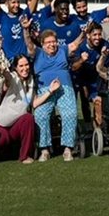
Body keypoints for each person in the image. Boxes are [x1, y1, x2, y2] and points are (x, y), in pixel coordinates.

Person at [32, 28, 83, 162]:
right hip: (45, 90)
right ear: (42, 44)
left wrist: (84, 32)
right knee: (41, 115)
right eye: (48, 42)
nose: (52, 44)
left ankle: (67, 148)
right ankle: (44, 149)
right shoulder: (38, 53)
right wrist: (26, 30)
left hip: (64, 88)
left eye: (54, 41)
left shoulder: (63, 51)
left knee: (70, 114)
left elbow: (76, 44)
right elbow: (28, 44)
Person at [0, 53, 37, 164]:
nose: (25, 68)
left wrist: (51, 91)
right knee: (3, 140)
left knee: (28, 118)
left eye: (26, 65)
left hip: (17, 122)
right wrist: (3, 71)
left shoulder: (30, 81)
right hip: (2, 123)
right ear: (15, 68)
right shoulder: (13, 78)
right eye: (21, 66)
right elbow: (8, 78)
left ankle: (24, 156)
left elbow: (34, 103)